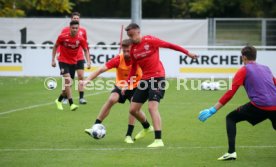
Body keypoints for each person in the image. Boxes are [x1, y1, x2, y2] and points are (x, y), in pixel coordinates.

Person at [124, 23, 198, 147]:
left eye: (132, 35)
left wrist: (187, 53)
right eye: (129, 36)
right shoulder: (133, 49)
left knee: (152, 107)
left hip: (157, 77)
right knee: (132, 109)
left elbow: (170, 45)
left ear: (138, 31)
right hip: (145, 79)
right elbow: (133, 68)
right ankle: (147, 127)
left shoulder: (150, 41)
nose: (131, 38)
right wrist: (127, 84)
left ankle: (158, 140)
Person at [198, 45, 276, 160]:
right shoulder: (266, 68)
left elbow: (230, 93)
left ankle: (231, 152)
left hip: (259, 105)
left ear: (243, 57)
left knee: (231, 118)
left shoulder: (244, 70)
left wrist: (213, 109)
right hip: (274, 105)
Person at [82, 39, 145, 143]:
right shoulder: (118, 59)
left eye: (128, 51)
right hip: (121, 86)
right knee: (112, 99)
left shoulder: (139, 58)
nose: (125, 53)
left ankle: (128, 135)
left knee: (133, 108)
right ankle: (95, 126)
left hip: (136, 86)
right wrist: (86, 81)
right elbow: (100, 70)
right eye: (124, 51)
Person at [52, 20, 90, 111]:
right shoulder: (62, 37)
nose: (74, 30)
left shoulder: (81, 39)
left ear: (78, 28)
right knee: (68, 80)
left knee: (67, 86)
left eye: (76, 28)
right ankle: (71, 104)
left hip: (73, 62)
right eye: (73, 28)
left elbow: (85, 50)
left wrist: (88, 61)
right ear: (70, 28)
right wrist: (53, 60)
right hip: (63, 61)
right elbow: (55, 46)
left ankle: (59, 100)